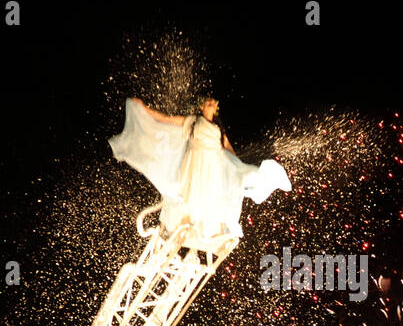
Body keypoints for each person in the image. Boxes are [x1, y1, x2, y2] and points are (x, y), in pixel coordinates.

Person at [110, 96, 290, 242]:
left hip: (213, 162)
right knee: (193, 190)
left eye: (212, 103)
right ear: (202, 107)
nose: (210, 104)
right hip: (196, 160)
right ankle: (187, 223)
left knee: (210, 191)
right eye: (207, 102)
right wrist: (144, 109)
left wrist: (237, 169)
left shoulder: (218, 128)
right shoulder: (193, 121)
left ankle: (206, 227)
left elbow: (227, 148)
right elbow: (164, 119)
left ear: (215, 108)